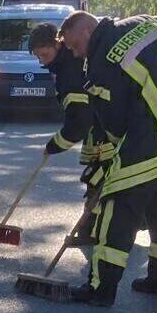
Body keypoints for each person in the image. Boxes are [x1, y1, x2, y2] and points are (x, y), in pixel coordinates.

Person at [58, 11, 157, 307]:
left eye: (75, 45)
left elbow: (114, 124)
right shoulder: (140, 24)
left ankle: (99, 289)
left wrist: (110, 161)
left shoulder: (101, 62)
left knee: (116, 210)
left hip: (149, 144)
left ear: (87, 32)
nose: (75, 53)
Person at [28, 22, 111, 244]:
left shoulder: (70, 71)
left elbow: (78, 123)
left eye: (44, 55)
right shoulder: (67, 64)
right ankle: (89, 233)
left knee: (103, 183)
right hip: (101, 132)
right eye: (38, 57)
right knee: (96, 182)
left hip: (107, 134)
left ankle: (99, 235)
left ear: (58, 44)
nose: (42, 62)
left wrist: (53, 145)